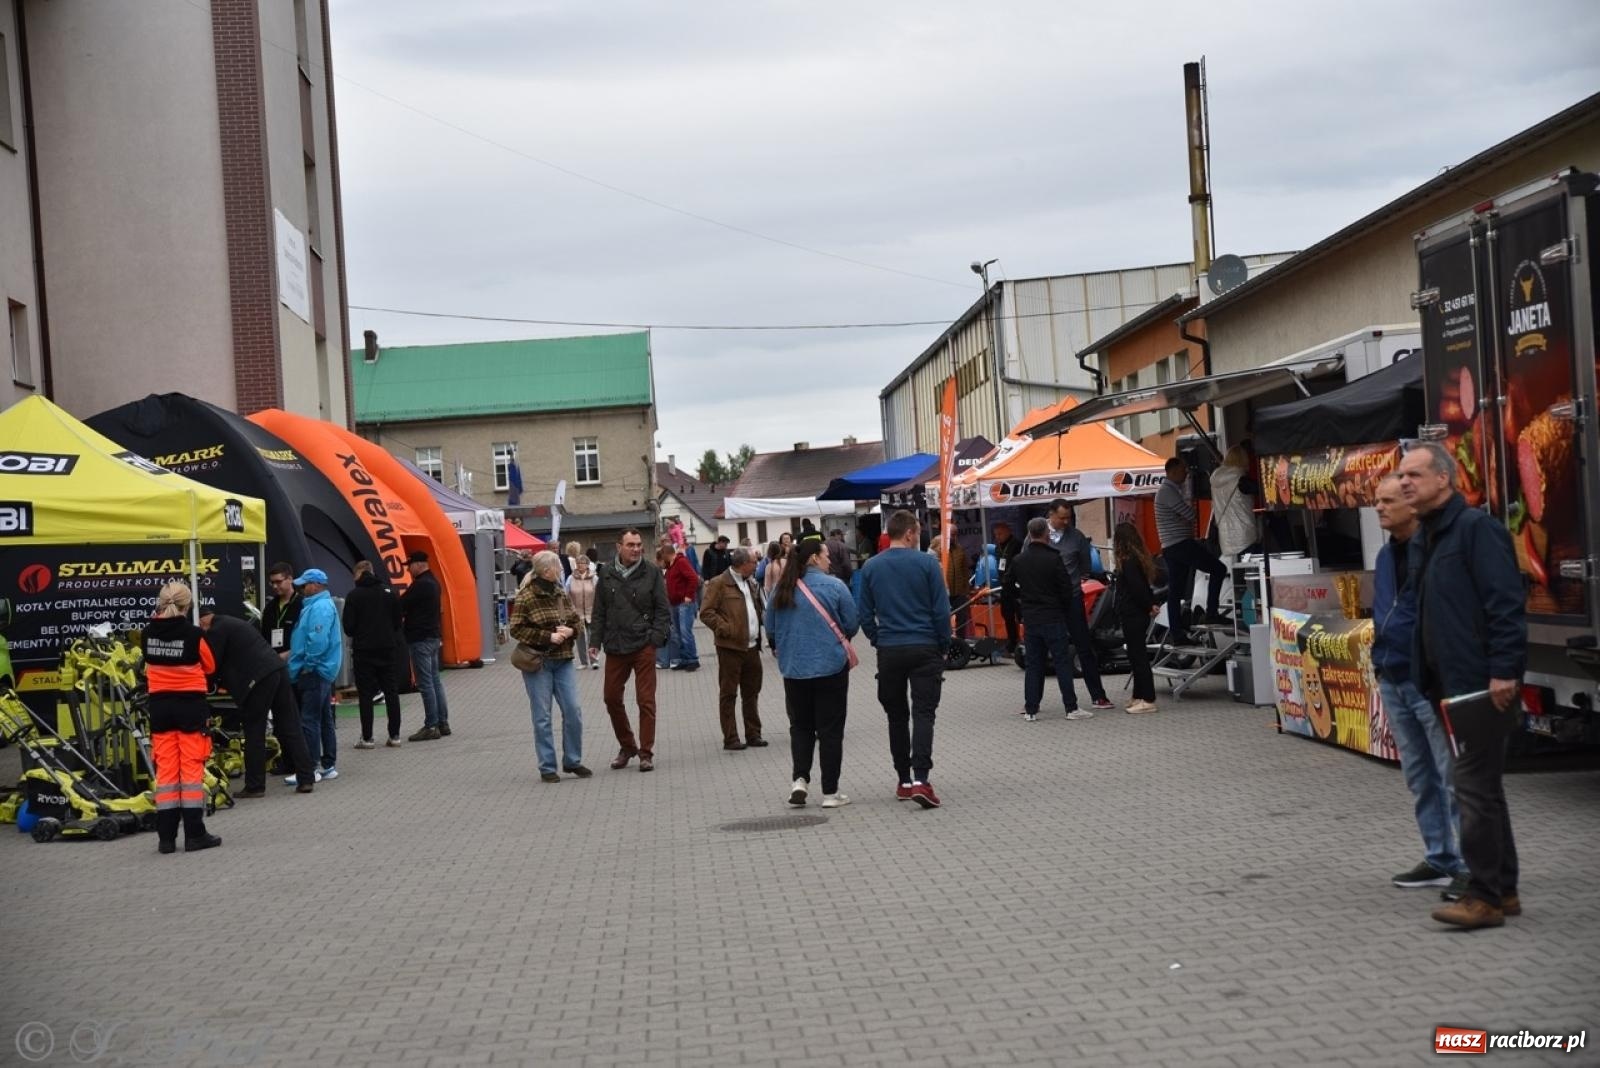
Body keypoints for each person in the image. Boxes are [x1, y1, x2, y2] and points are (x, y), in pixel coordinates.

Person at [1397, 442, 1526, 930]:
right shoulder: (1428, 535)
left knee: (1471, 789)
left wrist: (1504, 670)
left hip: (1478, 685)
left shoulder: (1476, 530)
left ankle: (1484, 897)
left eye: (1414, 474)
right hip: (1445, 685)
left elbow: (1505, 603)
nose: (1404, 482)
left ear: (1444, 480)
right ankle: (1505, 890)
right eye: (1401, 475)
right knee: (1484, 791)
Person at [1371, 473, 1466, 890]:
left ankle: (1470, 865)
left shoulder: (1432, 552)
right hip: (1392, 674)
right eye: (1377, 501)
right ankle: (1439, 856)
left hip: (1426, 678)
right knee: (1419, 775)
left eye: (1388, 501)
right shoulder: (1385, 555)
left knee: (1453, 775)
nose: (1379, 508)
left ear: (1412, 507)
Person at [856, 509, 950, 809]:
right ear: (909, 533)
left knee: (896, 717)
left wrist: (877, 638)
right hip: (924, 646)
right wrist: (944, 644)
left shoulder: (871, 567)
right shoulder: (928, 564)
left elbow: (864, 613)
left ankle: (904, 780)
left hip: (890, 650)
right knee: (924, 713)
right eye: (919, 531)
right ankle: (922, 778)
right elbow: (940, 610)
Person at [769, 538, 858, 808]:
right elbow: (852, 623)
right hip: (830, 667)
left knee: (801, 727)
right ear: (814, 559)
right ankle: (830, 792)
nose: (830, 559)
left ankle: (799, 779)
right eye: (826, 555)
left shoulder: (781, 589)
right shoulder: (835, 586)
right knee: (830, 730)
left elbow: (770, 628)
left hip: (794, 669)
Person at [200, 606, 317, 794]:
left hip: (258, 679)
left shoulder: (216, 629)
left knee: (254, 730)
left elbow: (211, 664)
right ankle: (306, 778)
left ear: (204, 622)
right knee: (291, 725)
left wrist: (205, 686)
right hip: (277, 669)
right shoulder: (233, 622)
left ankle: (255, 785)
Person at [143, 582, 223, 853]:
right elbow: (210, 665)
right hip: (190, 708)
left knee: (166, 772)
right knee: (190, 772)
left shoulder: (147, 633)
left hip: (160, 708)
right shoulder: (193, 634)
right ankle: (194, 834)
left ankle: (165, 838)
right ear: (187, 605)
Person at [590, 528, 672, 772]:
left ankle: (646, 753)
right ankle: (627, 746)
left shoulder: (652, 572)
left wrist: (655, 639)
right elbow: (599, 611)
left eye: (638, 544)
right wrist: (595, 641)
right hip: (615, 645)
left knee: (645, 700)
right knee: (611, 698)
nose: (636, 548)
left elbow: (662, 609)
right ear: (619, 547)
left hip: (643, 644)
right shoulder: (606, 573)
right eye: (630, 544)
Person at [510, 550, 590, 783]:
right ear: (547, 571)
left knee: (573, 710)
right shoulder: (526, 597)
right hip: (539, 663)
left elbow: (576, 621)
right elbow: (516, 629)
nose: (561, 570)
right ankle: (547, 766)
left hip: (564, 660)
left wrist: (571, 631)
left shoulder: (559, 593)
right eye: (558, 567)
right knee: (542, 716)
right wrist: (547, 636)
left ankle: (572, 760)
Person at [1006, 518, 1089, 722]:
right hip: (1053, 617)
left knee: (1033, 664)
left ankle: (1031, 709)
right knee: (1061, 662)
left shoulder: (1019, 560)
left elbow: (1007, 588)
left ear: (1029, 534)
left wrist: (1021, 606)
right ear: (1045, 534)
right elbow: (1066, 589)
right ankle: (1071, 707)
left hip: (1031, 619)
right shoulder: (1054, 558)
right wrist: (1061, 607)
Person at [1045, 500, 1114, 710]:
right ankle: (1032, 702)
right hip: (1047, 601)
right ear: (1051, 515)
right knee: (1043, 649)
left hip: (1073, 598)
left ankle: (1098, 695)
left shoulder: (1076, 537)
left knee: (1084, 646)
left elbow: (1085, 566)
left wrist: (1074, 581)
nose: (1066, 522)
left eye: (1069, 518)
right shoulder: (1037, 533)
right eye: (1062, 518)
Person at [699, 547, 767, 751]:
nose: (757, 565)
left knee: (752, 691)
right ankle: (731, 737)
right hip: (730, 647)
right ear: (742, 564)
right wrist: (725, 627)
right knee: (729, 693)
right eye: (754, 562)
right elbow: (706, 612)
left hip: (752, 646)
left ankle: (753, 734)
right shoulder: (720, 583)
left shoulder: (751, 582)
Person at [1156, 457, 1228, 641]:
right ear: (1172, 472)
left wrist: (1183, 518)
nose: (1186, 473)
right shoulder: (1168, 492)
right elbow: (1190, 514)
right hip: (1180, 544)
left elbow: (1186, 516)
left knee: (1175, 590)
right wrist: (1185, 516)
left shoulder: (1168, 492)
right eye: (1182, 470)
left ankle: (1177, 632)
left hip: (1171, 546)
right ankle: (1211, 612)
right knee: (1218, 569)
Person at [342, 560, 404, 749]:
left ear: (359, 574)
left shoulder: (354, 596)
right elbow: (397, 622)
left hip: (364, 651)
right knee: (391, 692)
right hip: (387, 648)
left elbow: (349, 627)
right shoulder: (389, 593)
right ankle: (394, 736)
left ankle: (367, 737)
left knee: (366, 695)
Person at [288, 568, 342, 781]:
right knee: (324, 719)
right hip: (322, 669)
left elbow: (317, 640)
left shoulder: (318, 607)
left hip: (315, 670)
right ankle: (327, 765)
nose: (302, 589)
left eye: (305, 585)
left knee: (308, 719)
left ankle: (309, 768)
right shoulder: (319, 605)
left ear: (316, 585)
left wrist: (308, 665)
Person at [401, 550, 452, 741]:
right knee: (435, 681)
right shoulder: (434, 583)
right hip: (432, 636)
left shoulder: (420, 585)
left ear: (418, 564)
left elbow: (402, 603)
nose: (409, 570)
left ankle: (431, 725)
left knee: (425, 683)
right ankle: (442, 722)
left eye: (410, 566)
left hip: (419, 638)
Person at [1112, 522, 1160, 714]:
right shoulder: (1136, 559)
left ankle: (1148, 699)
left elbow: (1137, 588)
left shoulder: (1128, 562)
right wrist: (1151, 603)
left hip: (1133, 613)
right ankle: (1138, 695)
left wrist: (1148, 605)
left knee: (1138, 656)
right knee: (1135, 655)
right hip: (1137, 613)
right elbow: (1143, 586)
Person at [1209, 444, 1262, 559]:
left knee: (1237, 571)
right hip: (1245, 534)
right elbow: (1262, 489)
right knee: (1253, 570)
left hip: (1225, 536)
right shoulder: (1241, 480)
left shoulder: (1215, 480)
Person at [663, 538, 702, 671]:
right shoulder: (671, 566)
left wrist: (688, 596)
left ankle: (692, 659)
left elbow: (693, 578)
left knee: (685, 632)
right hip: (675, 603)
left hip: (683, 603)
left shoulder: (681, 562)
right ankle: (685, 659)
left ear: (666, 554)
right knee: (678, 633)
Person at [564, 552, 600, 669]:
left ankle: (594, 660)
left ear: (587, 565)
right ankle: (584, 662)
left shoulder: (594, 577)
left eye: (582, 563)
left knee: (592, 637)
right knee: (579, 638)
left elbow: (600, 594)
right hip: (577, 612)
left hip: (591, 611)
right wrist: (570, 609)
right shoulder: (571, 578)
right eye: (578, 563)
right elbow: (566, 594)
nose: (580, 565)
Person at [260, 561, 302, 660]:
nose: (275, 586)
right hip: (273, 662)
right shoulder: (269, 607)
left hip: (295, 662)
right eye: (272, 582)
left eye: (279, 582)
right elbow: (264, 637)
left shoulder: (302, 605)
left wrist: (288, 655)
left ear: (290, 579)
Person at [992, 522, 1022, 655]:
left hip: (1016, 585)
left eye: (1000, 534)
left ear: (1008, 532)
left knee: (1020, 614)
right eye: (995, 535)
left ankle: (1022, 641)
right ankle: (1012, 641)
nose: (997, 537)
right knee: (1007, 614)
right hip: (1004, 586)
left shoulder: (1017, 544)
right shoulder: (998, 547)